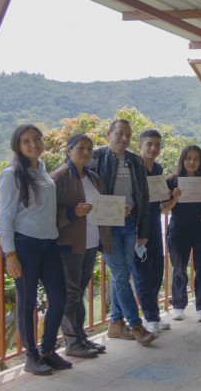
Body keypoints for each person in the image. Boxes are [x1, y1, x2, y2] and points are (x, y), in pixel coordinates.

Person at [0, 124, 71, 375]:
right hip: (25, 245)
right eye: (26, 141)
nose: (33, 144)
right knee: (27, 303)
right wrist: (10, 255)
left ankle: (48, 351)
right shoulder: (12, 175)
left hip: (49, 243)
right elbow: (4, 217)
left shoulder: (41, 170)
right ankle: (32, 356)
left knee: (59, 299)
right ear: (17, 146)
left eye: (37, 139)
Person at [88, 119, 155, 345]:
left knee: (122, 276)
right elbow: (86, 191)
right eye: (120, 134)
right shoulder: (95, 158)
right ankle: (137, 326)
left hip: (130, 224)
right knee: (120, 275)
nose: (124, 139)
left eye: (128, 135)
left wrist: (143, 229)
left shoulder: (135, 161)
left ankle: (116, 324)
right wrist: (111, 207)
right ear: (109, 134)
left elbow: (143, 197)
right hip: (106, 225)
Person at [51, 134, 111, 359]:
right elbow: (47, 214)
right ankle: (72, 342)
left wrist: (116, 211)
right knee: (70, 294)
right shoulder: (58, 177)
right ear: (68, 151)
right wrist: (72, 213)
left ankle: (81, 337)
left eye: (89, 149)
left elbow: (103, 207)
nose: (86, 153)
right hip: (68, 245)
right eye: (80, 148)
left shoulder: (94, 178)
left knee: (79, 292)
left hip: (91, 242)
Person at [162, 146, 201, 322]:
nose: (192, 162)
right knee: (178, 269)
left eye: (196, 159)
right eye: (188, 158)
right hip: (178, 230)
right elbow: (163, 210)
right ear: (182, 160)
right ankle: (178, 305)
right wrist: (174, 198)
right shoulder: (171, 181)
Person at [133, 129, 169, 335]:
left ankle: (153, 313)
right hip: (137, 226)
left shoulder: (158, 168)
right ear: (140, 146)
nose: (153, 148)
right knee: (142, 271)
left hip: (155, 223)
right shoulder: (132, 168)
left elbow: (161, 203)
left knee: (156, 269)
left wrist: (170, 195)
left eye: (157, 144)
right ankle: (150, 317)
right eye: (149, 144)